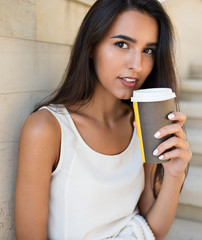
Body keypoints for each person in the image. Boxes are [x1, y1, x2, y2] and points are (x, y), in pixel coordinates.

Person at [14, 0, 192, 239]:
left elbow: (152, 231)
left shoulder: (142, 125)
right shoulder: (47, 129)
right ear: (91, 46)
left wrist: (174, 175)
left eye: (148, 50)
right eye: (122, 44)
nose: (137, 65)